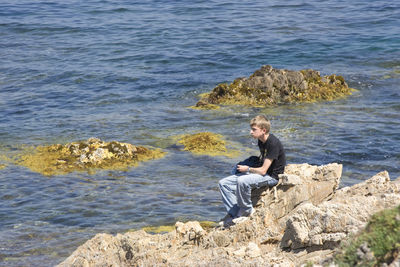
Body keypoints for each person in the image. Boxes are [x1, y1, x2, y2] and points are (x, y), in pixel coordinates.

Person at [218, 115, 286, 226]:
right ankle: (235, 214)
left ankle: (247, 211)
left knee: (242, 181)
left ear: (263, 130)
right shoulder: (261, 140)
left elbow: (264, 171)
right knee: (223, 183)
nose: (251, 132)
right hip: (262, 172)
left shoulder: (273, 143)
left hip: (271, 176)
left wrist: (248, 169)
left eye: (254, 130)